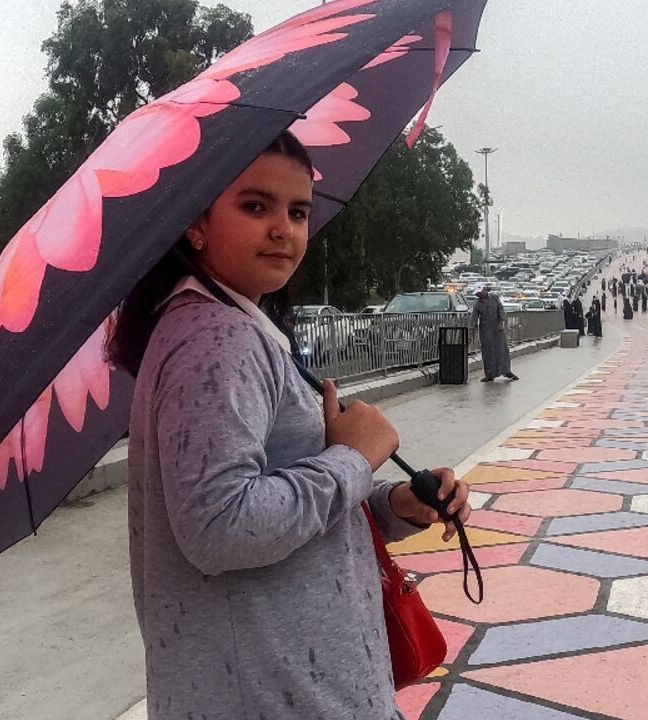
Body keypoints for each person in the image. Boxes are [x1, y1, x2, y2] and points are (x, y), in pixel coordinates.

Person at [111, 131, 472, 720]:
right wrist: (352, 459)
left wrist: (393, 504)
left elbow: (289, 503)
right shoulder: (216, 338)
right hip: (273, 691)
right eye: (255, 206)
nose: (285, 228)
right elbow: (220, 527)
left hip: (289, 682)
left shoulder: (234, 326)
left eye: (298, 211)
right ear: (197, 223)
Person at [473, 286, 518, 382]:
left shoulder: (494, 298)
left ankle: (507, 371)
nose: (478, 295)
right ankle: (489, 374)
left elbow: (501, 310)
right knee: (487, 352)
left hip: (497, 329)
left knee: (502, 350)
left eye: (479, 292)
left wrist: (501, 323)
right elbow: (474, 320)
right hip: (485, 331)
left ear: (484, 291)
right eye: (477, 293)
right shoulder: (477, 305)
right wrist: (471, 331)